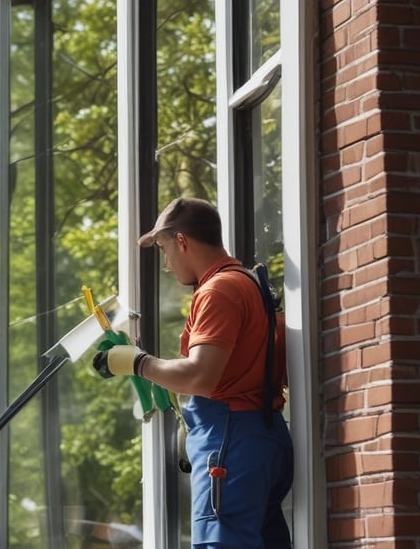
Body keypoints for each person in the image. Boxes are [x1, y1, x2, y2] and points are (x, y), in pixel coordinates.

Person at [93, 197, 293, 548]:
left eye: (164, 248)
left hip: (230, 442)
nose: (167, 263)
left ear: (182, 241)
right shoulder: (249, 285)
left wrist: (136, 362)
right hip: (262, 438)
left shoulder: (218, 290)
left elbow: (201, 377)